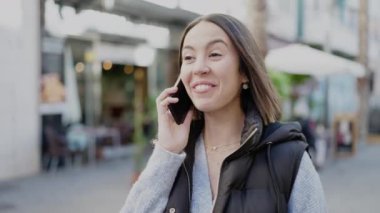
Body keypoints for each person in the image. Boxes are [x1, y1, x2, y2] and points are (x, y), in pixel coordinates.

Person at [120, 14, 327, 213]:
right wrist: (167, 151)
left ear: (244, 71)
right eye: (189, 57)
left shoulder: (288, 157)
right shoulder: (174, 156)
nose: (199, 68)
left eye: (215, 54)